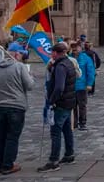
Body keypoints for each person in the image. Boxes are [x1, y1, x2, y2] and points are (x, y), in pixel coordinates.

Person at [0, 43, 34, 175]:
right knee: (12, 136)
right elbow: (30, 86)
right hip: (16, 107)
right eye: (21, 54)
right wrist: (30, 75)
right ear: (17, 54)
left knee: (1, 136)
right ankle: (8, 165)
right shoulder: (20, 67)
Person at [38, 43, 77, 173]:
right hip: (69, 101)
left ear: (55, 53)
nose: (51, 55)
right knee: (67, 129)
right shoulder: (68, 62)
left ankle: (53, 161)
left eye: (52, 52)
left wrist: (51, 100)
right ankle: (69, 155)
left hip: (61, 103)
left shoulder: (60, 66)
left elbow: (59, 87)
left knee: (55, 132)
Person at [71, 42, 95, 131]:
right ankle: (74, 123)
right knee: (73, 106)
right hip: (71, 86)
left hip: (82, 86)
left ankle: (82, 123)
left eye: (76, 48)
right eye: (73, 48)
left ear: (80, 48)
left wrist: (89, 84)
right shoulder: (69, 58)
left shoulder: (86, 58)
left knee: (82, 105)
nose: (74, 50)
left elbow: (90, 71)